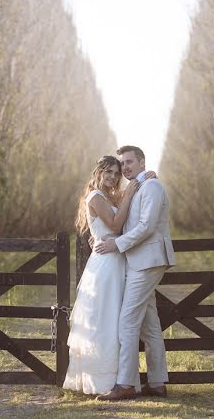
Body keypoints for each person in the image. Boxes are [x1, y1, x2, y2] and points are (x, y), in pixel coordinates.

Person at [62, 155, 156, 395]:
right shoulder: (95, 197)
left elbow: (126, 219)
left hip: (120, 261)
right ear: (99, 173)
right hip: (105, 265)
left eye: (117, 173)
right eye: (109, 172)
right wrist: (130, 193)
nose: (114, 177)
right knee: (104, 319)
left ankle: (123, 379)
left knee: (121, 321)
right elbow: (114, 225)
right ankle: (103, 381)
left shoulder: (114, 196)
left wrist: (146, 178)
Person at [94, 145, 176, 401]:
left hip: (148, 261)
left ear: (142, 162)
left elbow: (147, 227)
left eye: (130, 162)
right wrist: (102, 237)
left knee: (127, 322)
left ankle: (126, 384)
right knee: (150, 325)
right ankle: (157, 382)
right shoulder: (140, 186)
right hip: (140, 261)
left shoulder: (152, 187)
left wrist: (115, 244)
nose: (125, 167)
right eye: (123, 163)